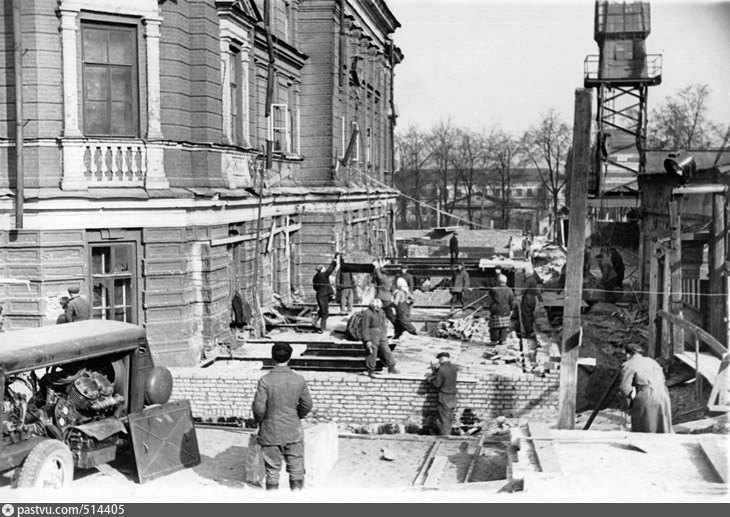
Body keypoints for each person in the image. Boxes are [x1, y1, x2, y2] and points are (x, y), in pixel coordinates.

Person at [252, 343, 313, 491]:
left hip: (270, 431)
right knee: (296, 468)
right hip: (293, 431)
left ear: (272, 357)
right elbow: (307, 404)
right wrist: (295, 417)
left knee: (272, 470)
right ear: (289, 357)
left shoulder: (265, 380)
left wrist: (261, 422)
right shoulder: (299, 379)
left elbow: (259, 408)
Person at [619, 342, 672, 433]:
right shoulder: (652, 362)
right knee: (661, 426)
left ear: (628, 354)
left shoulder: (629, 364)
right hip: (663, 394)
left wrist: (629, 405)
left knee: (645, 426)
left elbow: (625, 388)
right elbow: (662, 378)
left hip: (647, 395)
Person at [361, 299, 399, 376]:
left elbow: (383, 323)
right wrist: (367, 340)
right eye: (377, 307)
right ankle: (370, 370)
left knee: (387, 350)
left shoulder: (381, 312)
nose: (378, 308)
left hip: (381, 333)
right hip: (372, 333)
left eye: (379, 307)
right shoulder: (367, 313)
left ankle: (391, 366)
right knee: (372, 352)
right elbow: (365, 327)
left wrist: (384, 333)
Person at [427, 351, 458, 436]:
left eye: (439, 360)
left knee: (443, 419)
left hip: (444, 397)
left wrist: (430, 379)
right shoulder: (454, 367)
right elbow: (447, 376)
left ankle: (444, 437)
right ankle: (448, 435)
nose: (439, 361)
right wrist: (438, 369)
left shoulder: (442, 369)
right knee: (450, 418)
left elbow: (437, 384)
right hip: (453, 397)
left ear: (442, 359)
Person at [312, 254, 338, 332]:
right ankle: (323, 328)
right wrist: (335, 259)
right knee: (325, 312)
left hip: (319, 295)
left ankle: (314, 320)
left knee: (322, 309)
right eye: (323, 268)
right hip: (323, 296)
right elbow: (331, 269)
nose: (325, 268)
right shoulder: (324, 275)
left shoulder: (315, 277)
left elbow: (315, 287)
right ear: (321, 269)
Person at [487, 275, 515, 345]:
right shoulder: (510, 290)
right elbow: (512, 301)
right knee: (504, 326)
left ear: (498, 281)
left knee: (494, 326)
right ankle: (503, 340)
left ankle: (494, 341)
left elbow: (490, 296)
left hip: (496, 309)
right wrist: (511, 309)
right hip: (506, 309)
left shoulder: (494, 289)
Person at [519, 267, 543, 338]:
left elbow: (523, 290)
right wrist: (540, 299)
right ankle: (530, 330)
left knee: (526, 316)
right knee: (530, 315)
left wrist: (517, 294)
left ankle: (528, 332)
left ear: (526, 274)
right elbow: (538, 291)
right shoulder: (534, 279)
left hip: (527, 299)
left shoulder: (528, 280)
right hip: (533, 299)